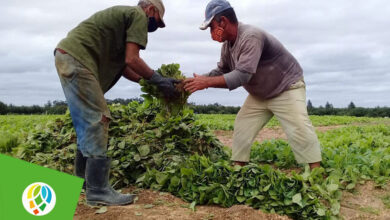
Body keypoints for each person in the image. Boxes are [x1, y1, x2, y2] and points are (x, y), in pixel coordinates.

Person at [54, 0, 178, 206]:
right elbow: (133, 59)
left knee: (86, 122)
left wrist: (149, 84)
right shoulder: (138, 15)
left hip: (68, 56)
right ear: (151, 10)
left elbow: (125, 67)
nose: (155, 26)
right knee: (98, 118)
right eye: (157, 21)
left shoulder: (122, 24)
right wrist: (159, 80)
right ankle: (98, 191)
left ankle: (83, 183)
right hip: (77, 59)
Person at [183, 0, 322, 170]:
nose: (212, 33)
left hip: (286, 87)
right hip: (260, 94)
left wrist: (205, 83)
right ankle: (238, 168)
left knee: (299, 128)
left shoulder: (251, 36)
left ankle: (316, 173)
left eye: (212, 27)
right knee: (243, 125)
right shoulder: (227, 46)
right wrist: (198, 81)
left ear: (223, 22)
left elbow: (242, 75)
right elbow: (222, 71)